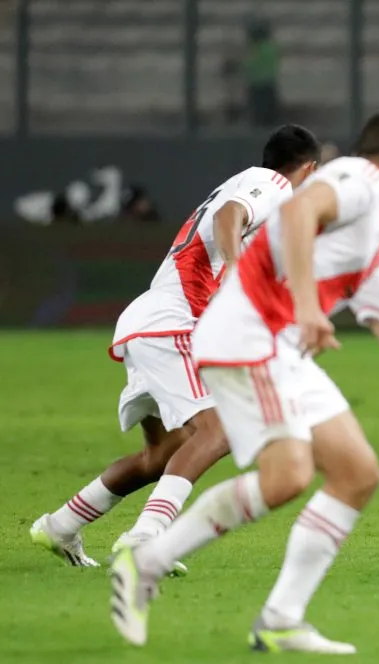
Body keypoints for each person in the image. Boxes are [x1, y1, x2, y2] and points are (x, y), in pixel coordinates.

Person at [108, 112, 379, 653]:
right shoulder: (359, 178)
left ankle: (281, 618)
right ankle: (148, 559)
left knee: (357, 472)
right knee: (287, 475)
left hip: (281, 348)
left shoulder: (371, 244)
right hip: (248, 337)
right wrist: (308, 306)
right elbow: (299, 212)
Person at [31, 125, 322, 570]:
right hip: (174, 321)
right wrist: (240, 275)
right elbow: (229, 217)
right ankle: (148, 537)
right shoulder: (274, 185)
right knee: (220, 429)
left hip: (151, 321)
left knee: (162, 455)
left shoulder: (247, 184)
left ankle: (62, 525)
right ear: (309, 170)